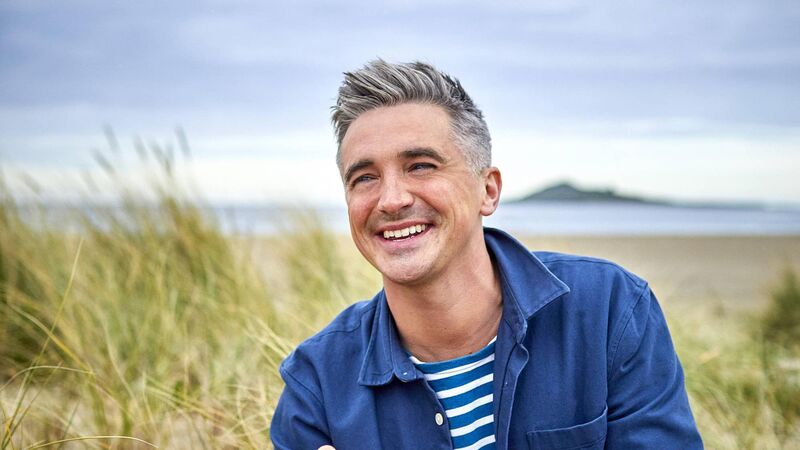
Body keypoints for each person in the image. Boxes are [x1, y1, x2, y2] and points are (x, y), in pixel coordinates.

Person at [270, 59, 703, 450]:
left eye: (420, 166)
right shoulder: (316, 386)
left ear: (488, 190)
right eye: (364, 177)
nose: (392, 199)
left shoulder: (609, 310)